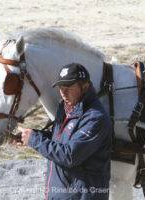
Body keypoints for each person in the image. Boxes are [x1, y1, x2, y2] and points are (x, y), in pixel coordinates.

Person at [18, 63, 112, 200]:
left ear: (84, 87)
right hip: (60, 194)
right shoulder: (65, 107)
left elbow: (69, 155)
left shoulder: (95, 118)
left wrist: (34, 140)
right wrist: (31, 135)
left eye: (68, 87)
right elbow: (59, 139)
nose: (63, 92)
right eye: (61, 87)